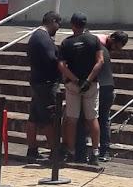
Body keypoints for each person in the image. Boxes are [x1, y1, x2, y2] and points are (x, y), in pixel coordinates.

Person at [58, 13, 104, 168]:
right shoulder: (94, 40)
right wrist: (88, 80)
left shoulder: (67, 42)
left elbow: (62, 66)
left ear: (72, 24)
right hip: (91, 84)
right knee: (92, 118)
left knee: (72, 119)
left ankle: (71, 151)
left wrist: (76, 80)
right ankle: (95, 152)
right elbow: (100, 61)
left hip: (73, 84)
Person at [25, 11, 62, 163]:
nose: (58, 28)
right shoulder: (43, 38)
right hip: (45, 83)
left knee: (34, 116)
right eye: (58, 24)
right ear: (53, 21)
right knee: (48, 116)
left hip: (37, 80)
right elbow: (52, 59)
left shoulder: (36, 36)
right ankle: (55, 150)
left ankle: (32, 149)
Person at [97, 30, 129, 161]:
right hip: (100, 85)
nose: (114, 50)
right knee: (100, 119)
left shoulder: (104, 47)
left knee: (103, 119)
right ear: (112, 38)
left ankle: (104, 150)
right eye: (115, 46)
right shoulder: (98, 43)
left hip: (105, 86)